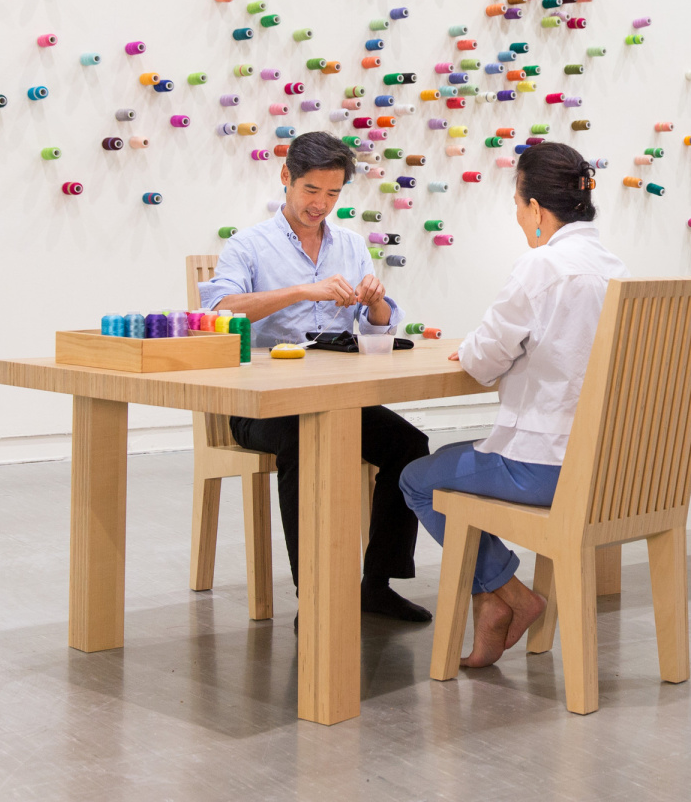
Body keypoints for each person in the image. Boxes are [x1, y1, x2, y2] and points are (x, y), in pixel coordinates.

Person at [399, 141, 626, 667]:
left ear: (536, 209)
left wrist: (470, 349)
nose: (519, 217)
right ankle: (496, 601)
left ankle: (510, 594)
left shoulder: (541, 267)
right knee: (449, 464)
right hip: (610, 468)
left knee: (417, 480)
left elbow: (483, 362)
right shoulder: (618, 270)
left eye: (518, 206)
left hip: (545, 469)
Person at [198, 132, 432, 625]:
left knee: (409, 446)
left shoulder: (350, 244)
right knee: (305, 442)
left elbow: (376, 329)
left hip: (335, 398)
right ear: (286, 177)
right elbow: (217, 310)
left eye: (332, 193)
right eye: (310, 190)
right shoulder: (248, 245)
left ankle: (377, 585)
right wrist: (301, 290)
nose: (320, 204)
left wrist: (377, 303)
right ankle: (316, 593)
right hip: (259, 405)